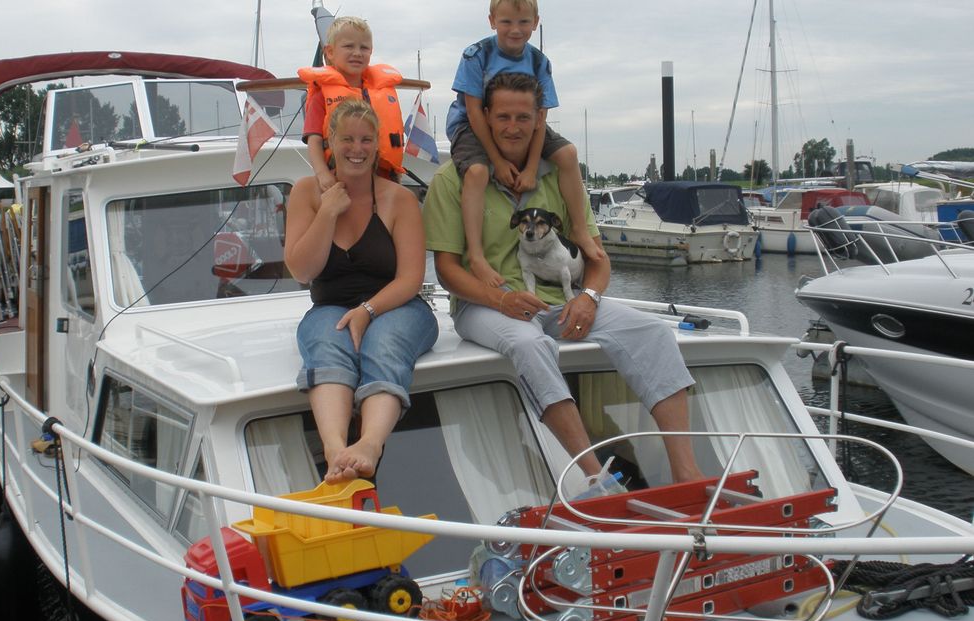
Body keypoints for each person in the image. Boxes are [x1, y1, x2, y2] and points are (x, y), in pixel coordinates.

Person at [424, 72, 704, 484]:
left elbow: (596, 258)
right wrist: (502, 300)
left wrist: (589, 296)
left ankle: (687, 473)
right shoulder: (456, 178)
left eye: (523, 117)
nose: (513, 127)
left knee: (653, 332)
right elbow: (447, 271)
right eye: (502, 116)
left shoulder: (560, 175)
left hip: (565, 301)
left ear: (539, 119)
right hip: (485, 305)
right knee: (530, 343)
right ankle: (597, 479)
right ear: (484, 116)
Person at [285, 99, 437, 484]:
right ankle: (336, 451)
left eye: (366, 140)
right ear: (330, 143)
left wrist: (368, 310)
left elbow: (410, 279)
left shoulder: (399, 199)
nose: (357, 149)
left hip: (397, 306)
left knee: (383, 345)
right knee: (325, 343)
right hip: (330, 306)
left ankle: (370, 443)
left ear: (377, 146)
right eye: (348, 139)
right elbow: (303, 270)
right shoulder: (306, 193)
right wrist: (327, 212)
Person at [446, 0, 604, 289]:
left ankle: (581, 229)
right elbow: (474, 111)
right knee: (478, 173)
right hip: (472, 125)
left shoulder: (539, 62)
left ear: (536, 22)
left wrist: (531, 167)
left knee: (568, 153)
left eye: (523, 22)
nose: (515, 30)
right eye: (506, 22)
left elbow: (540, 118)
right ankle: (478, 256)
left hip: (524, 123)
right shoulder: (476, 56)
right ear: (492, 21)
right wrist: (498, 160)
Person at [298, 16, 406, 190]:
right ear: (330, 52)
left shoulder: (382, 90)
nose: (357, 52)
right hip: (341, 178)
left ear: (371, 51)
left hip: (382, 177)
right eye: (349, 46)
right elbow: (315, 140)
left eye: (364, 47)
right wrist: (322, 174)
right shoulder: (322, 95)